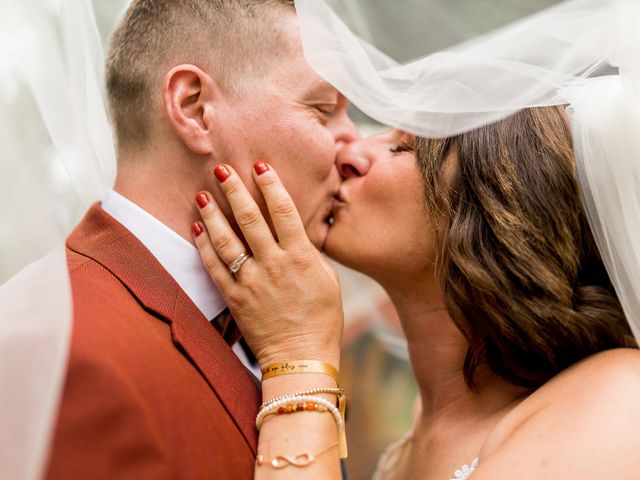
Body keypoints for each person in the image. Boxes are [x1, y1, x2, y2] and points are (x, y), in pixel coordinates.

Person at [190, 0, 640, 478]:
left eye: (401, 147)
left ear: (499, 211)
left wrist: (298, 359)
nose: (351, 151)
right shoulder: (401, 454)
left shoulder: (618, 398)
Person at [43, 1, 358, 479]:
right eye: (322, 109)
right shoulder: (73, 353)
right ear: (195, 109)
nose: (352, 142)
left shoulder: (273, 303)